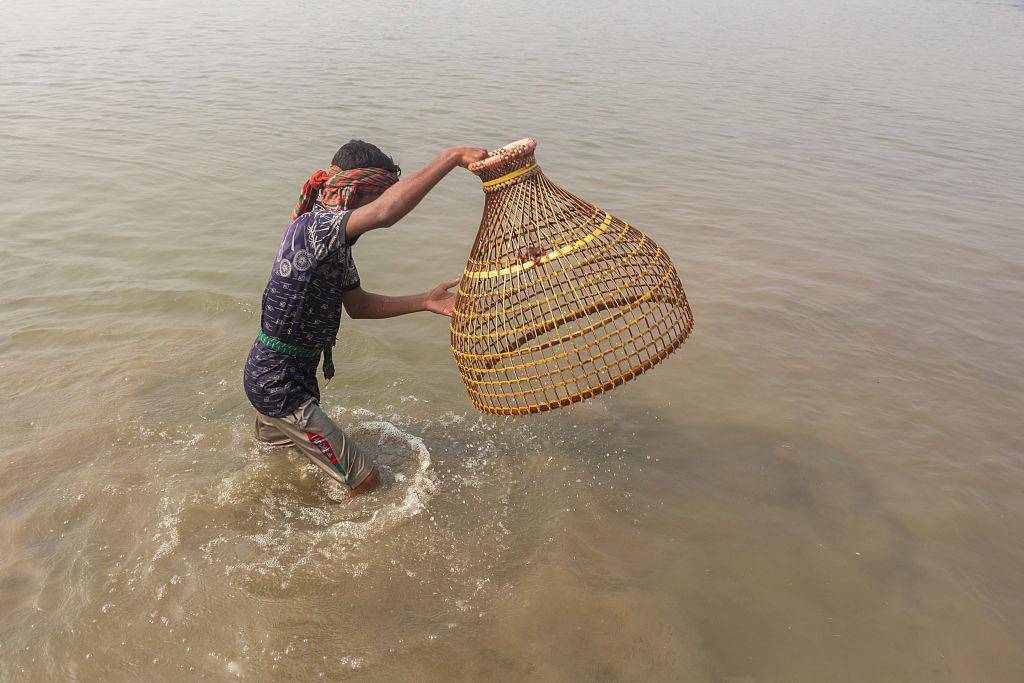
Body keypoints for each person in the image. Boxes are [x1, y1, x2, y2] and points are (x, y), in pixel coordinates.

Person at [243, 140, 488, 497]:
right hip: (281, 387)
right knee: (367, 482)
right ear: (358, 191)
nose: (377, 207)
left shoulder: (331, 244)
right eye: (377, 197)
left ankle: (259, 508)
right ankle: (328, 548)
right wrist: (451, 158)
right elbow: (387, 213)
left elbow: (357, 305)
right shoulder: (319, 228)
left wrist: (426, 301)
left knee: (274, 462)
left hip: (273, 375)